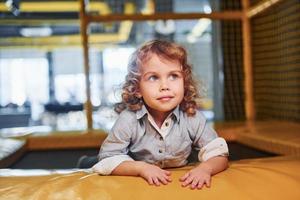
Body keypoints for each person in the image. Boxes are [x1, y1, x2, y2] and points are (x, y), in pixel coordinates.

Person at [92, 40, 229, 189]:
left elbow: (219, 155)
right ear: (137, 89)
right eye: (153, 77)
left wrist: (205, 169)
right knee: (92, 162)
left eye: (174, 76)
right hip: (133, 164)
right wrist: (141, 168)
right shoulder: (129, 119)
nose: (165, 86)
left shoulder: (191, 117)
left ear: (184, 82)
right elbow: (107, 159)